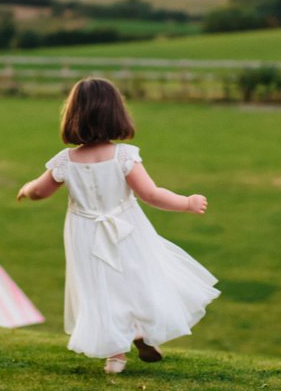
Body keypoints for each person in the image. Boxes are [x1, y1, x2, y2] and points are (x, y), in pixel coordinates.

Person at [17, 77, 220, 374]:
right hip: (128, 229)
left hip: (84, 232)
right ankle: (141, 332)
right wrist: (185, 202)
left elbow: (40, 191)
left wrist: (26, 189)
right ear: (116, 114)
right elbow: (151, 194)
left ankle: (115, 356)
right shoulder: (124, 156)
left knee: (99, 288)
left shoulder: (66, 160)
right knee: (137, 278)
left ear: (74, 116)